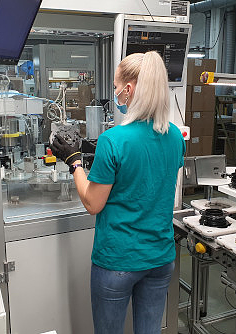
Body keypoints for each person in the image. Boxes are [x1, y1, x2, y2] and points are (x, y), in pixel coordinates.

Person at [50, 51, 185, 334]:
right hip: (160, 258)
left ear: (129, 89)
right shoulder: (175, 136)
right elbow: (151, 185)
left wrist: (74, 162)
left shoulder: (113, 140)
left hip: (118, 260)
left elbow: (92, 203)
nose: (115, 95)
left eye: (115, 88)